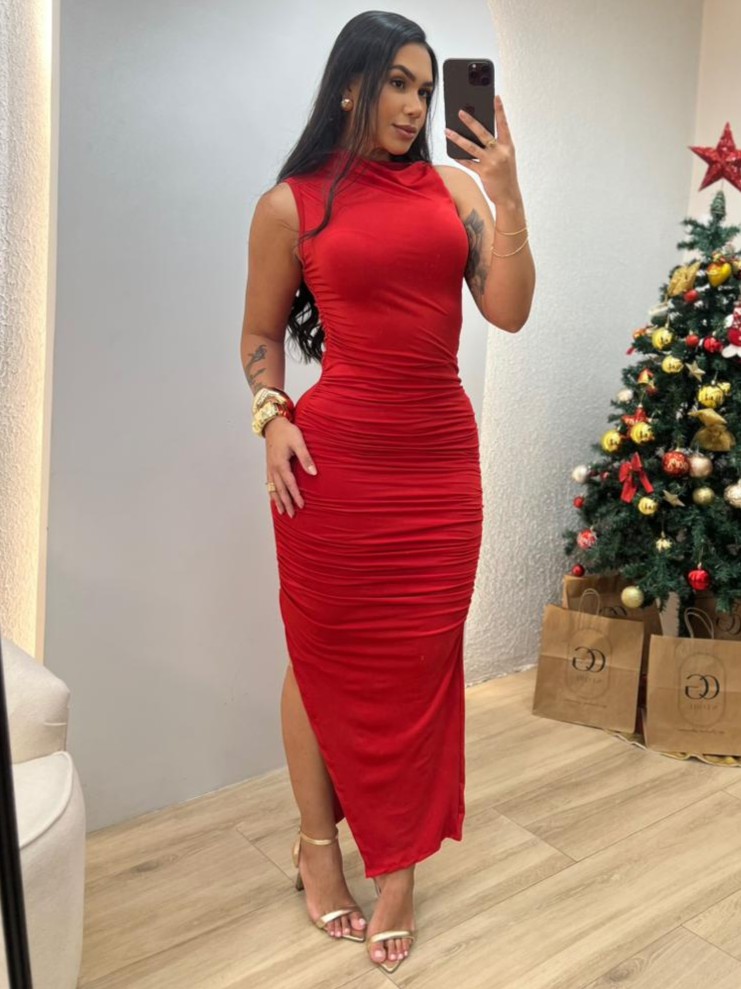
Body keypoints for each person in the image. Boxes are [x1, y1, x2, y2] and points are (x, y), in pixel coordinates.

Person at [239, 10, 534, 975]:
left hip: (438, 465)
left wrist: (506, 192)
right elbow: (259, 335)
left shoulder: (455, 192)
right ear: (349, 86)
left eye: (426, 87)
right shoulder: (290, 205)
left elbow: (509, 311)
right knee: (319, 659)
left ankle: (397, 867)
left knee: (421, 666)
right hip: (334, 470)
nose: (414, 105)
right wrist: (272, 415)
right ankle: (318, 850)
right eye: (397, 84)